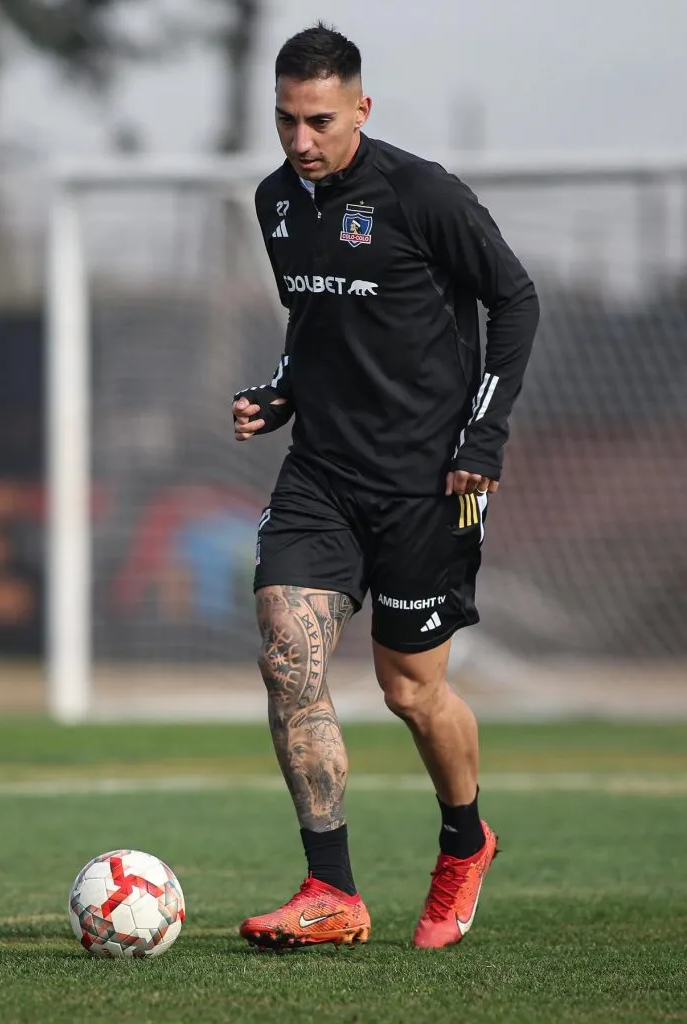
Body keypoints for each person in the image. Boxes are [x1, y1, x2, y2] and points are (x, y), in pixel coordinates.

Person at [232, 22, 540, 952]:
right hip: (324, 473)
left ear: (361, 109)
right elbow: (315, 318)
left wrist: (482, 438)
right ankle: (332, 889)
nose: (299, 141)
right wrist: (282, 392)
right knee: (289, 652)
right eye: (284, 121)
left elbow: (514, 298)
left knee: (410, 691)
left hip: (431, 483)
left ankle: (464, 839)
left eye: (318, 120)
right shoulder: (275, 202)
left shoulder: (420, 192)